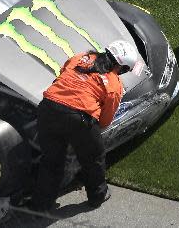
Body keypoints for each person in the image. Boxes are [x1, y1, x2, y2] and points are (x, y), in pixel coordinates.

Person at [29, 40, 138, 212]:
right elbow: (104, 121)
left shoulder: (80, 57)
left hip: (48, 107)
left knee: (51, 161)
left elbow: (62, 74)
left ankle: (40, 206)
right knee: (93, 158)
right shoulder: (114, 84)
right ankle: (98, 195)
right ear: (122, 68)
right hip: (79, 119)